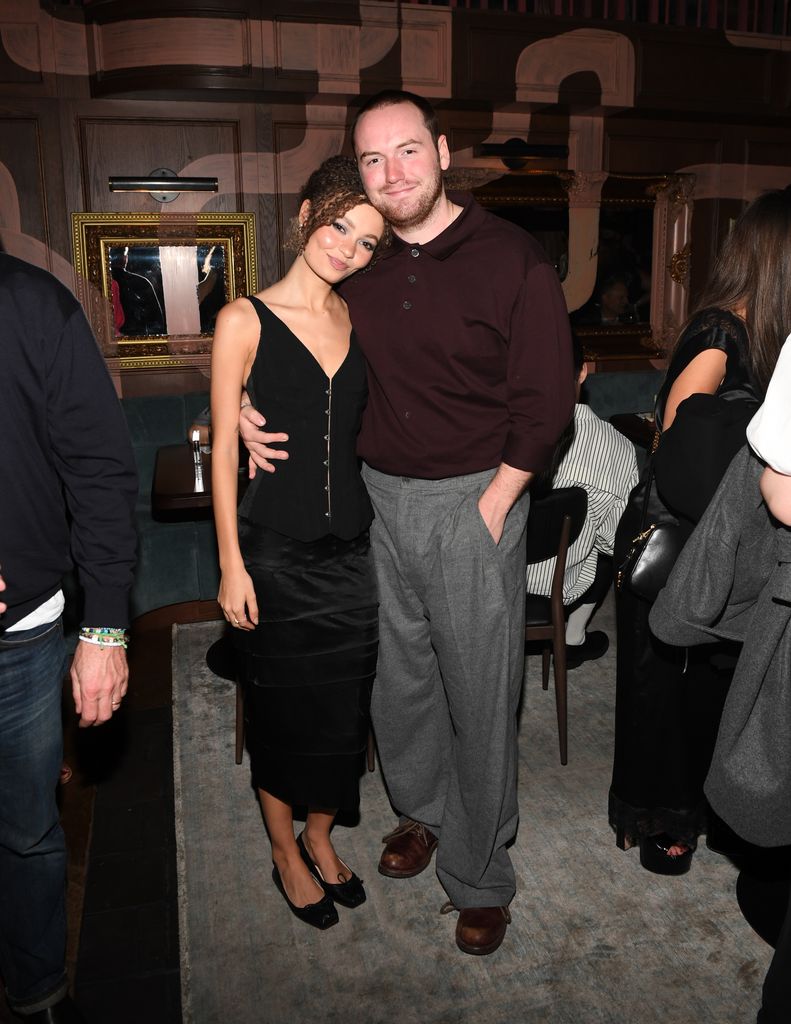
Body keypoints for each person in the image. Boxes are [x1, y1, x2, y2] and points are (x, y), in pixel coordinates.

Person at [240, 90, 574, 954]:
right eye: (372, 161)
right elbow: (298, 343)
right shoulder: (364, 259)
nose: (391, 174)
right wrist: (241, 402)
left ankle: (480, 872)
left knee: (480, 689)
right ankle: (420, 816)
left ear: (443, 150)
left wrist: (497, 501)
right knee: (401, 682)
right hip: (373, 500)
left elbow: (545, 400)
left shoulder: (511, 258)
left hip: (477, 496)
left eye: (407, 153)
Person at [211, 156, 387, 931]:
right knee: (283, 717)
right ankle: (284, 850)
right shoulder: (241, 319)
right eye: (340, 225)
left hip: (353, 553)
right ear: (309, 211)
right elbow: (221, 447)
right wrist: (229, 565)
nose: (348, 248)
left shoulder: (361, 316)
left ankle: (321, 834)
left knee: (343, 714)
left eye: (368, 241)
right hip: (272, 552)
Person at [609, 186, 791, 875]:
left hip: (729, 540)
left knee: (717, 687)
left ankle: (714, 805)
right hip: (675, 537)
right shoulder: (721, 328)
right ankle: (663, 815)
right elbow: (678, 447)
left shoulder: (770, 335)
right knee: (663, 692)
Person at [0, 252, 137, 1022]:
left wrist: (106, 629)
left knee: (25, 834)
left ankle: (38, 989)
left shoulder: (27, 302)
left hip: (20, 641)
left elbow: (99, 469)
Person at [527, 333, 638, 666]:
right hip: (558, 585)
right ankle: (572, 637)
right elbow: (615, 544)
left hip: (493, 573)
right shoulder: (619, 448)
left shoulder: (492, 430)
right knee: (609, 540)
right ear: (584, 371)